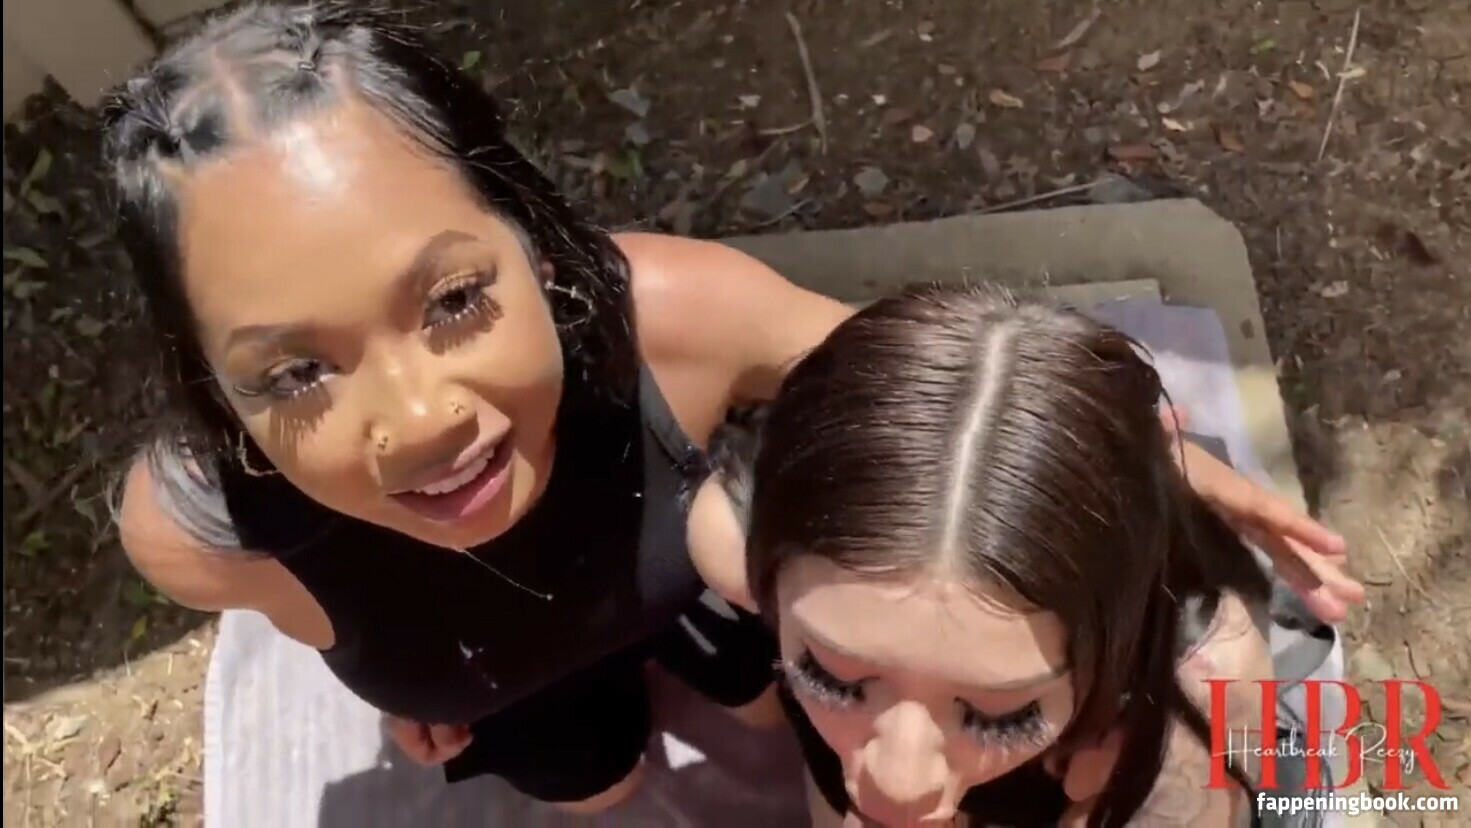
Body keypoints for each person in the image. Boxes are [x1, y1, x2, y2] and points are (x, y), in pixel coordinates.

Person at [107, 2, 1355, 814]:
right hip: (509, 694)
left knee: (767, 699)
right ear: (208, 381)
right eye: (294, 373)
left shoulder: (681, 323)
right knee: (592, 787)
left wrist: (1140, 463)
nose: (420, 418)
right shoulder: (196, 534)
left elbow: (938, 397)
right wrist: (407, 686)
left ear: (531, 238)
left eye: (452, 300)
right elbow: (331, 614)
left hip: (695, 614)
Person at [718, 285, 1356, 827]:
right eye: (830, 677)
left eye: (1003, 717)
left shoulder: (1199, 693)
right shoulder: (745, 533)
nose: (897, 784)